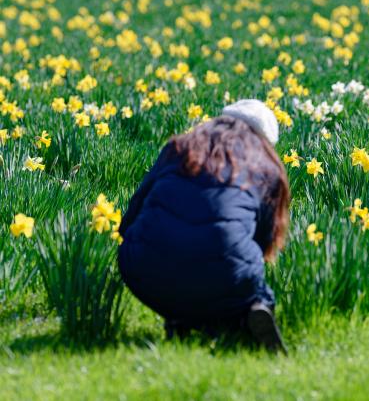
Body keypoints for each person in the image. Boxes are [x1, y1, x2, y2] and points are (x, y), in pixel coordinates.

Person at [117, 99, 290, 353]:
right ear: (265, 140)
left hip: (143, 270)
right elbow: (264, 244)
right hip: (225, 272)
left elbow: (130, 217)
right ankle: (249, 311)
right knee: (246, 279)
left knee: (179, 261)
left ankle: (182, 317)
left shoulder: (178, 147)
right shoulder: (266, 168)